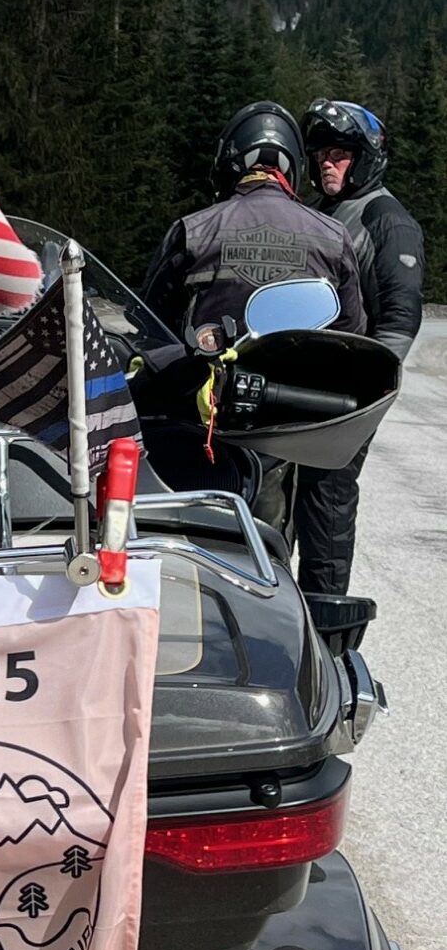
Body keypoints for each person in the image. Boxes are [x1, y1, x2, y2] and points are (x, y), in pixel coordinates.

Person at [142, 101, 366, 535]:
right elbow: (350, 338)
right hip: (279, 425)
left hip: (198, 423)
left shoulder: (193, 229)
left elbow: (152, 326)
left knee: (179, 539)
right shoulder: (333, 236)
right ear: (293, 166)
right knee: (266, 547)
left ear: (229, 162)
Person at [298, 98, 425, 595]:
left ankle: (326, 623)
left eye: (339, 154)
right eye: (320, 155)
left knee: (326, 503)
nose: (327, 164)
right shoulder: (318, 212)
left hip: (343, 396)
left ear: (366, 157)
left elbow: (400, 318)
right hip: (297, 387)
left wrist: (360, 397)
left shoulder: (385, 219)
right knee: (278, 500)